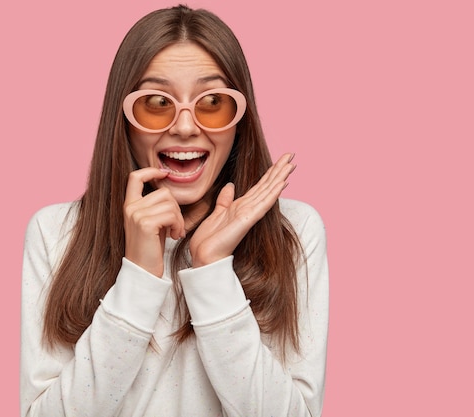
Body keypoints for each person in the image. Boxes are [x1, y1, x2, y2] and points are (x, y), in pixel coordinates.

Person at [19, 5, 329, 417]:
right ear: (123, 118)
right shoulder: (56, 232)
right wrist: (139, 277)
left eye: (213, 101)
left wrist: (212, 272)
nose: (184, 126)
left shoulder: (294, 232)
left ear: (241, 119)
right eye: (156, 102)